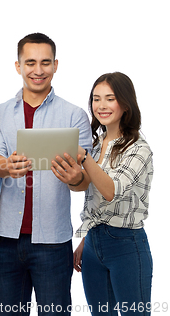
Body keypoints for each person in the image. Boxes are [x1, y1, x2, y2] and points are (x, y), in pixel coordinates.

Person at [0, 32, 92, 315]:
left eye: (45, 62)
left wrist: (75, 178)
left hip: (54, 243)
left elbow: (83, 181)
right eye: (30, 62)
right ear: (18, 66)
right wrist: (5, 166)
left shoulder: (75, 115)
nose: (38, 70)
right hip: (7, 240)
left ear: (56, 65)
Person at [73, 72, 153, 316]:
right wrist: (86, 239)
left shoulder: (139, 148)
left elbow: (112, 191)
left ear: (125, 103)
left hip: (126, 245)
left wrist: (84, 158)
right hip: (93, 244)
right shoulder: (96, 144)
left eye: (110, 98)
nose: (101, 106)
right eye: (96, 99)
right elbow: (88, 190)